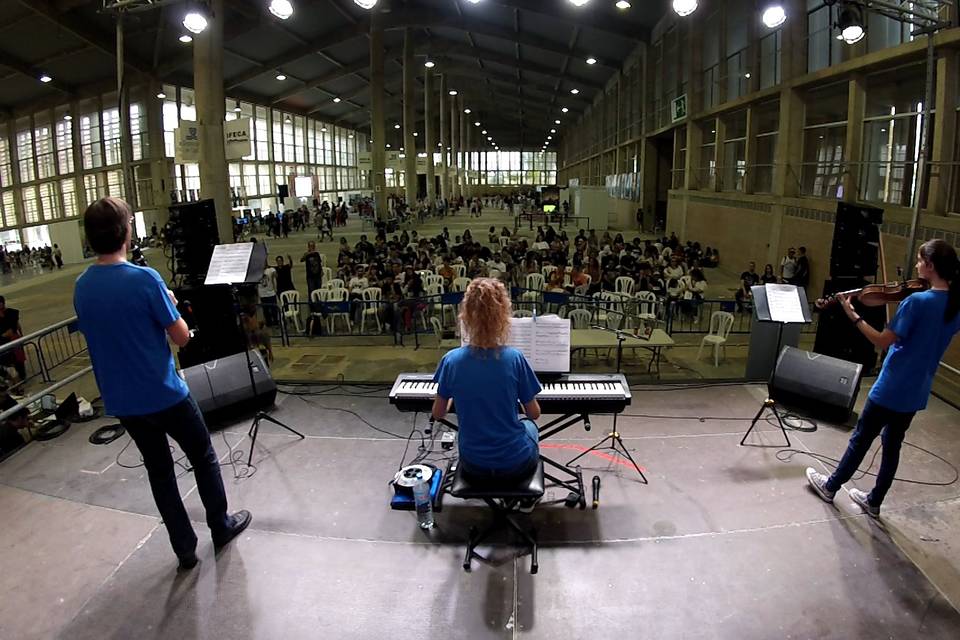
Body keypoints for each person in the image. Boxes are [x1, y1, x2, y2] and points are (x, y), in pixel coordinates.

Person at [73, 197, 250, 571]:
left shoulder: (82, 286)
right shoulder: (145, 279)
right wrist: (168, 302)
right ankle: (220, 525)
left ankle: (184, 549)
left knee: (160, 471)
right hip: (164, 394)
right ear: (126, 232)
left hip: (123, 401)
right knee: (203, 456)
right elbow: (182, 338)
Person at [807, 239, 960, 518]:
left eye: (918, 260)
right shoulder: (955, 303)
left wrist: (852, 315)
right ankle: (874, 501)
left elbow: (882, 341)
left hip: (893, 384)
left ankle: (830, 487)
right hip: (918, 388)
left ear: (930, 265)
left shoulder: (917, 301)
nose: (915, 265)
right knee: (892, 445)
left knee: (861, 439)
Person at [431, 278, 542, 491]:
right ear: (503, 317)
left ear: (466, 316)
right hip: (515, 464)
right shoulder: (515, 358)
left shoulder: (451, 361)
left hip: (474, 464)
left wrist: (459, 392)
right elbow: (534, 413)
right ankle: (526, 499)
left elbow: (438, 413)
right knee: (530, 427)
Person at [0, 296, 25, 382]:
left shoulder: (11, 312)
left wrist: (21, 335)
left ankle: (21, 377)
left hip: (14, 338)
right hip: (3, 340)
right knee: (8, 361)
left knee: (19, 359)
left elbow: (17, 324)